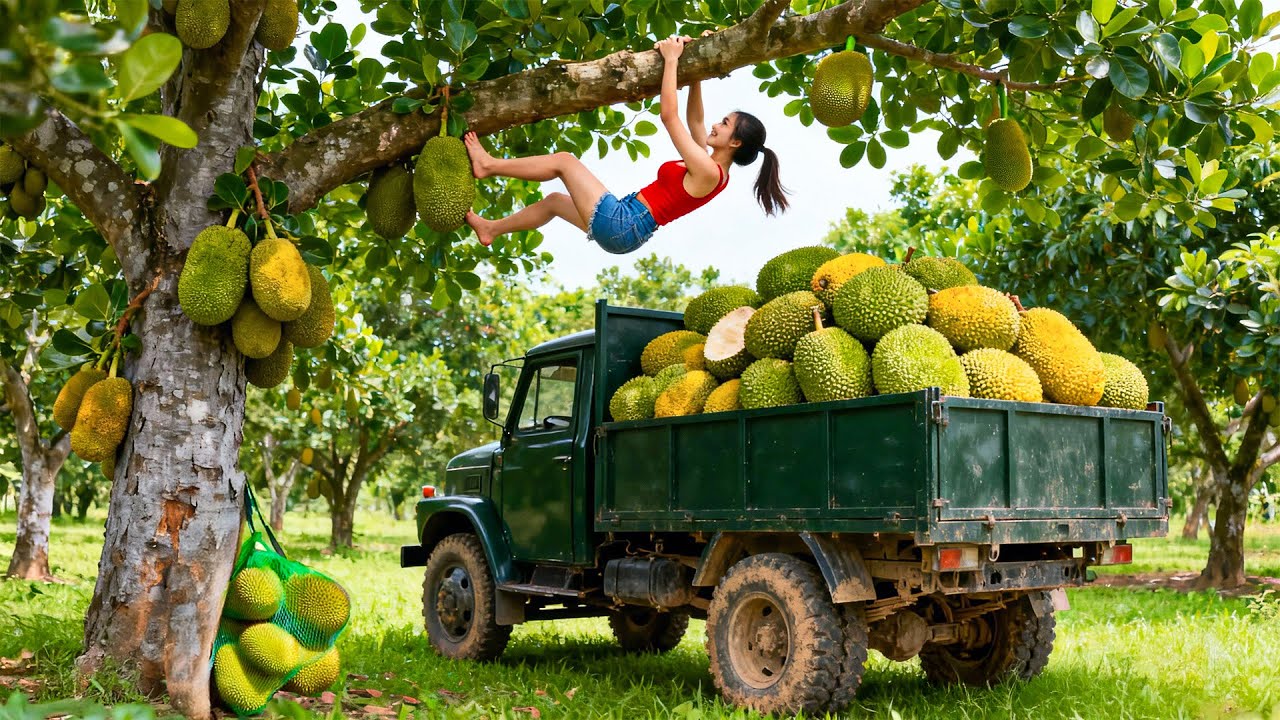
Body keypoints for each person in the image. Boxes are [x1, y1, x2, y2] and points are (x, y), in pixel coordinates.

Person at [463, 33, 788, 253]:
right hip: (626, 224)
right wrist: (696, 72)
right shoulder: (710, 167)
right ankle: (491, 229)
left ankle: (488, 165)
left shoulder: (708, 172)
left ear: (735, 143)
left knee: (564, 161)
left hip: (624, 222)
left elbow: (670, 117)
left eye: (726, 124)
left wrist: (672, 60)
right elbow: (696, 123)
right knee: (554, 202)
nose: (717, 124)